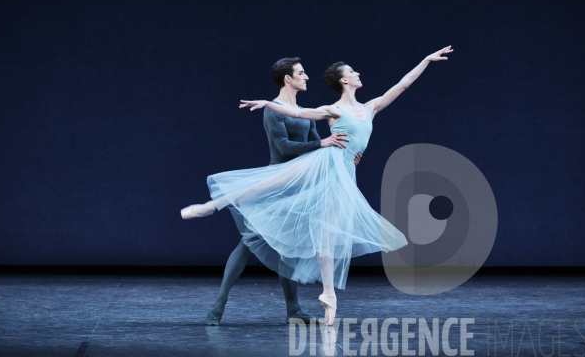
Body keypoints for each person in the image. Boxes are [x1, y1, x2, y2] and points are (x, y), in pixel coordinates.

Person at [183, 46, 453, 325]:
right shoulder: (313, 110)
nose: (306, 76)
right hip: (302, 167)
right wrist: (268, 104)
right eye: (301, 73)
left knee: (315, 237)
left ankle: (312, 302)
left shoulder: (366, 107)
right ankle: (211, 207)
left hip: (330, 169)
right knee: (254, 223)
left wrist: (426, 60)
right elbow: (291, 137)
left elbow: (402, 85)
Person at [184, 57, 362, 326]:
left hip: (301, 186)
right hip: (277, 183)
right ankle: (218, 306)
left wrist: (341, 152)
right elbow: (284, 147)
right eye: (301, 73)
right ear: (287, 79)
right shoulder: (274, 110)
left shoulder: (301, 110)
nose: (307, 77)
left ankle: (294, 310)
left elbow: (318, 145)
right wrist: (323, 143)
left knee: (287, 249)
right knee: (248, 243)